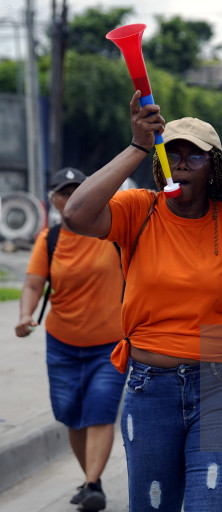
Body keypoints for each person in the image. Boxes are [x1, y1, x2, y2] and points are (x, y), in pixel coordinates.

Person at [62, 92, 222, 512]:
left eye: (193, 156)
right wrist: (138, 147)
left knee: (208, 505)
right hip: (149, 389)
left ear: (213, 168)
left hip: (221, 389)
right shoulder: (138, 210)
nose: (180, 162)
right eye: (170, 154)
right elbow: (75, 214)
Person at [15, 167, 126, 512]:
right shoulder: (49, 239)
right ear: (54, 201)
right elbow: (34, 284)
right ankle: (90, 480)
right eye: (64, 193)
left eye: (78, 190)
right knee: (71, 415)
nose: (71, 197)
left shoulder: (112, 233)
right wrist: (24, 315)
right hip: (62, 343)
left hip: (110, 344)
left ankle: (93, 483)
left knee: (100, 411)